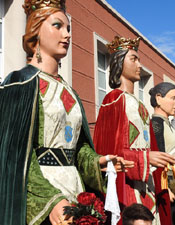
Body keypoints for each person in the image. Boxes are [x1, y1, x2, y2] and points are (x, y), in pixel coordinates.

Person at [0, 1, 130, 225]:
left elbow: (79, 147)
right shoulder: (20, 83)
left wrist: (97, 161)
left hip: (75, 190)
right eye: (58, 26)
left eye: (68, 28)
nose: (67, 34)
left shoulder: (70, 90)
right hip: (41, 196)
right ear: (35, 30)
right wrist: (51, 200)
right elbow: (16, 155)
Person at [93, 36, 175, 225]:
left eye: (139, 59)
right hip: (127, 188)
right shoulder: (113, 99)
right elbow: (108, 152)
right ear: (119, 63)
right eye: (134, 59)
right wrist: (146, 158)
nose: (139, 64)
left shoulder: (141, 105)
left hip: (147, 187)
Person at [149, 82, 175, 225]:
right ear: (158, 98)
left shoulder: (166, 123)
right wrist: (164, 189)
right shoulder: (156, 124)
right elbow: (158, 157)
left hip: (173, 182)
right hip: (165, 183)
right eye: (173, 98)